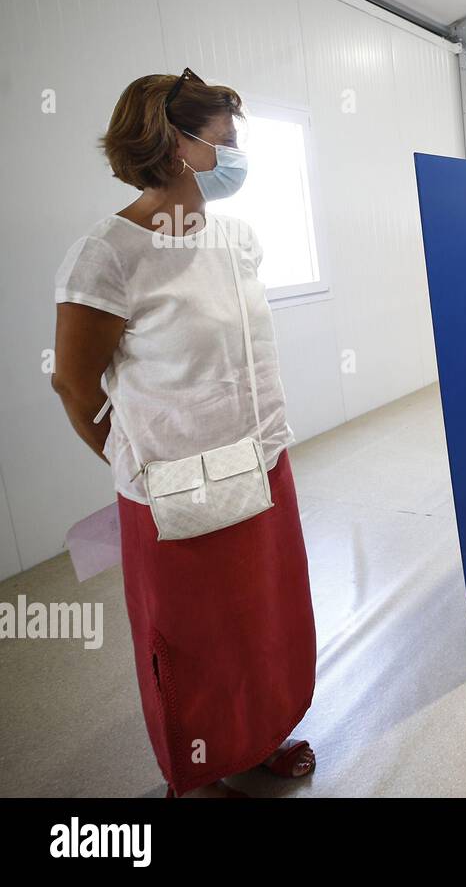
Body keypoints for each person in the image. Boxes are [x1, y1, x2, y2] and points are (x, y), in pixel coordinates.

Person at [51, 70, 317, 797]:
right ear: (178, 145)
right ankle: (195, 766)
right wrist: (135, 461)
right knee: (195, 641)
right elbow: (75, 387)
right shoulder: (109, 254)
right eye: (226, 138)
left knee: (266, 619)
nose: (236, 153)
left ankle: (261, 735)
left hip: (260, 463)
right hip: (175, 489)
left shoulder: (236, 238)